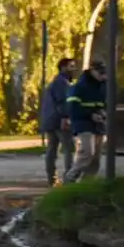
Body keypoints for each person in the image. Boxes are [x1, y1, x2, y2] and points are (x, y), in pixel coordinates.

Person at [64, 60, 107, 183]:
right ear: (92, 71)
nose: (102, 76)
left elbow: (104, 104)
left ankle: (86, 184)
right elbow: (72, 109)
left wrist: (102, 112)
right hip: (82, 124)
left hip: (98, 125)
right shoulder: (79, 87)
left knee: (96, 159)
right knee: (87, 152)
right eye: (100, 73)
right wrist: (90, 115)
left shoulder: (102, 87)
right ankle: (70, 177)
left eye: (104, 73)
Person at [40, 58, 78, 186]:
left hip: (50, 120)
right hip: (60, 121)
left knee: (52, 150)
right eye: (71, 66)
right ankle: (69, 178)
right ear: (63, 68)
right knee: (69, 149)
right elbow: (62, 102)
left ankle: (52, 178)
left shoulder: (55, 82)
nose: (74, 69)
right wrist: (65, 117)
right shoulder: (62, 83)